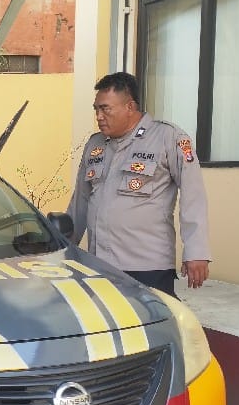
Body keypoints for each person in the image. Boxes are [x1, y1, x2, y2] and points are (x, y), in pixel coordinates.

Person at [66, 71, 210, 298]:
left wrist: (196, 252)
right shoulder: (95, 144)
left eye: (105, 109)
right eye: (96, 109)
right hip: (101, 263)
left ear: (130, 107)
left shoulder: (167, 138)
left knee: (151, 320)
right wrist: (63, 247)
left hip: (148, 266)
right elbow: (80, 203)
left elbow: (194, 196)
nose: (99, 116)